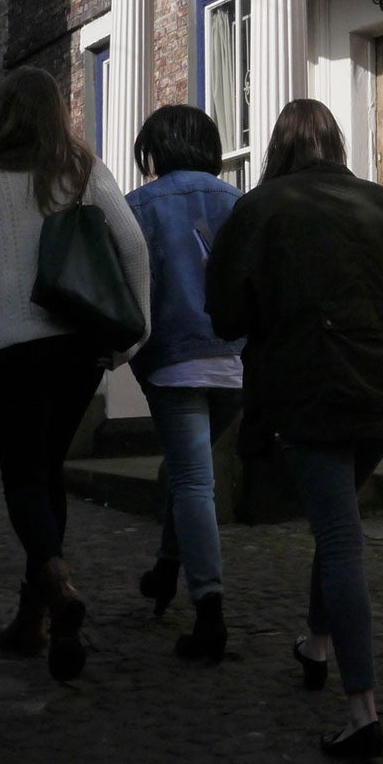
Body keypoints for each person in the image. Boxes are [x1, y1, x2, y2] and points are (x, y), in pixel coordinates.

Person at [207, 99, 383, 761]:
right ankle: (316, 642)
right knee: (335, 523)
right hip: (380, 392)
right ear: (336, 145)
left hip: (308, 393)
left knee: (338, 537)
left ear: (278, 150)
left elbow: (225, 314)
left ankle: (362, 709)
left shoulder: (258, 210)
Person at [0, 67, 149, 681]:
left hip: (9, 348)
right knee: (46, 471)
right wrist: (133, 335)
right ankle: (36, 617)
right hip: (77, 347)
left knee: (24, 478)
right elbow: (133, 244)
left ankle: (56, 578)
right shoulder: (82, 168)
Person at [124, 104, 245, 662]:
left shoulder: (138, 207)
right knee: (183, 469)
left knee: (194, 480)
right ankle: (166, 570)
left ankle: (209, 610)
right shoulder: (237, 202)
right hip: (235, 363)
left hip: (173, 361)